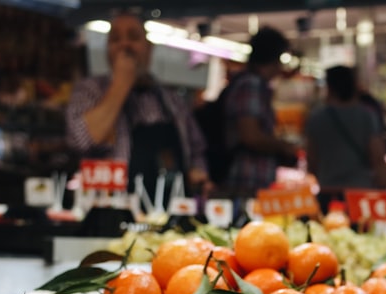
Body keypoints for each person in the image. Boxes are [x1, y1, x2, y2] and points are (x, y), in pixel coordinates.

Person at [65, 12, 209, 204]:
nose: (125, 45)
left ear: (149, 48)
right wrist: (121, 83)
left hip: (170, 210)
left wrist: (198, 172)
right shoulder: (90, 91)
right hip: (111, 209)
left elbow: (196, 150)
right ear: (108, 49)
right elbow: (82, 140)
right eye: (116, 39)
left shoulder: (172, 100)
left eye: (133, 37)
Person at [221, 26, 299, 194]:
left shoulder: (253, 84)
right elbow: (250, 136)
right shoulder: (251, 84)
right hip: (246, 178)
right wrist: (282, 146)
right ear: (273, 58)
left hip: (249, 177)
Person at [305, 65, 386, 197]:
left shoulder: (316, 118)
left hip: (328, 191)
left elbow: (311, 160)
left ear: (329, 87)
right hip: (360, 192)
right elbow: (377, 157)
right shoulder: (366, 116)